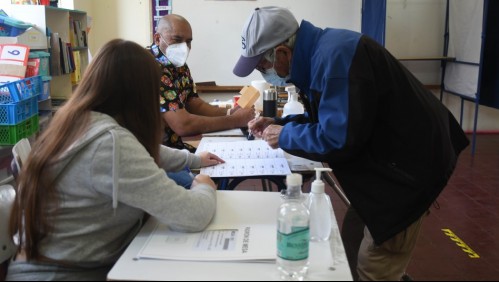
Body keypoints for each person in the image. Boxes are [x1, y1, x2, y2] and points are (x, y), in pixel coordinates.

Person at [234, 6, 470, 281]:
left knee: (376, 265)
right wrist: (281, 124)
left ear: (283, 52)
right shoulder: (321, 53)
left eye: (263, 65)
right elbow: (325, 116)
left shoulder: (336, 59)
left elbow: (337, 138)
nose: (265, 74)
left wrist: (283, 136)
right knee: (351, 241)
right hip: (387, 160)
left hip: (408, 169)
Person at [6, 39, 224, 281]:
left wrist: (192, 159)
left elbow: (139, 149)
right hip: (63, 274)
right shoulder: (110, 143)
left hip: (50, 264)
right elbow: (191, 215)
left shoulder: (76, 120)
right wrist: (204, 185)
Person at [150, 14, 257, 188]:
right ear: (157, 38)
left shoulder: (179, 65)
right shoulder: (152, 67)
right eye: (177, 39)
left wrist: (230, 111)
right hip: (156, 156)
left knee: (223, 161)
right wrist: (235, 120)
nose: (184, 47)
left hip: (175, 149)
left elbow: (194, 103)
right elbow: (183, 125)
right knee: (203, 187)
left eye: (189, 41)